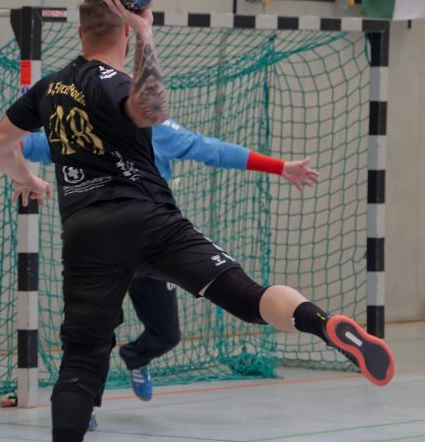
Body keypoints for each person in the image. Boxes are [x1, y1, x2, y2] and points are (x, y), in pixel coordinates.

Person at [0, 0, 395, 442]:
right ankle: (320, 323)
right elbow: (157, 113)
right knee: (247, 297)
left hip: (88, 233)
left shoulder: (49, 89)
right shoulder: (119, 85)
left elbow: (1, 142)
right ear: (125, 32)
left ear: (80, 32)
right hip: (151, 221)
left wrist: (25, 177)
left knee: (81, 360)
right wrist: (147, 35)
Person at [16, 120, 319, 406]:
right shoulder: (80, 129)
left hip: (152, 244)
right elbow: (20, 145)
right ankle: (86, 404)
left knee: (166, 334)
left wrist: (279, 166)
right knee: (95, 335)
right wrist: (18, 166)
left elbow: (213, 150)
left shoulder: (157, 130)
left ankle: (136, 357)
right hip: (101, 249)